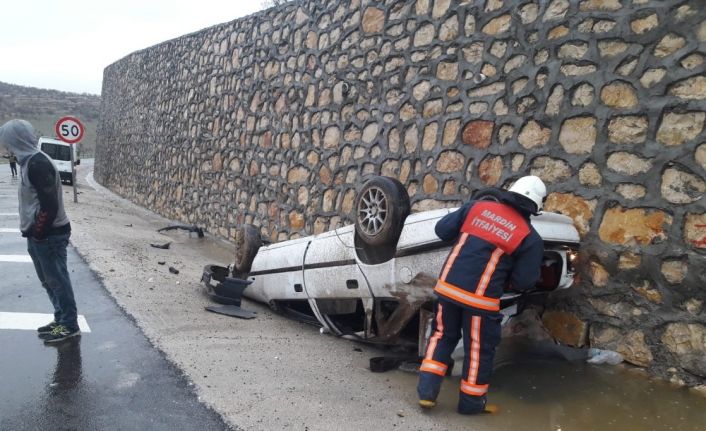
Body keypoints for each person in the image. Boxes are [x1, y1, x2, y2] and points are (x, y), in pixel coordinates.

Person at [417, 175, 547, 415]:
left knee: (442, 336)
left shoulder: (477, 207)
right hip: (481, 301)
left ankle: (426, 394)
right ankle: (471, 404)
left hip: (447, 289)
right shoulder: (530, 237)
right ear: (537, 206)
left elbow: (442, 229)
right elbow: (524, 281)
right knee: (478, 349)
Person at [0, 119, 80, 343]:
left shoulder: (37, 164)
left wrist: (38, 233)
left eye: (7, 142)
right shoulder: (28, 162)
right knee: (48, 281)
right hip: (39, 235)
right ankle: (60, 318)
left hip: (49, 236)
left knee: (57, 280)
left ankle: (69, 325)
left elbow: (50, 206)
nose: (6, 148)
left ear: (16, 140)